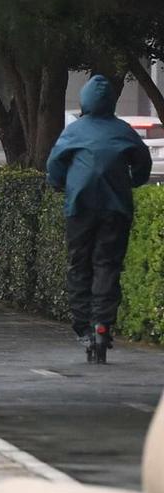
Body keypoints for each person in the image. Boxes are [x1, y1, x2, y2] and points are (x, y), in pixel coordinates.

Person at [48, 74, 153, 363]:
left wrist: (59, 184)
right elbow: (143, 161)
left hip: (79, 208)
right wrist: (133, 180)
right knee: (107, 265)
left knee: (79, 265)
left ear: (84, 101)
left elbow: (54, 164)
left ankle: (83, 328)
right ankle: (103, 324)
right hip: (115, 207)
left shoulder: (74, 132)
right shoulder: (123, 131)